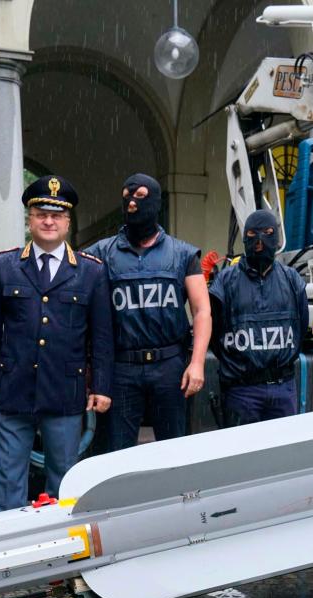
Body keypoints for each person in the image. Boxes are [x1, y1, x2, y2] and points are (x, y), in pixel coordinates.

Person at [0, 175, 113, 510]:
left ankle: (60, 547)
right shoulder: (4, 266)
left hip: (64, 389)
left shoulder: (91, 272)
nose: (48, 221)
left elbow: (102, 336)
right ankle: (6, 544)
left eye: (57, 215)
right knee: (8, 476)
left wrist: (102, 387)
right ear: (30, 219)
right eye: (41, 214)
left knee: (63, 477)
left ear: (68, 222)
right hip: (13, 388)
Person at [85, 174, 210, 450]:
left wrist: (197, 362)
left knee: (173, 451)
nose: (132, 203)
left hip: (170, 367)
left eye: (140, 196)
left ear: (155, 201)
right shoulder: (100, 253)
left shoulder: (183, 254)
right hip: (121, 368)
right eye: (127, 196)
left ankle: (174, 495)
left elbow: (202, 310)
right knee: (116, 453)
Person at [208, 209, 307, 426]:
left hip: (283, 388)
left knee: (283, 456)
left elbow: (301, 327)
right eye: (253, 234)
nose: (260, 240)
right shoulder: (225, 281)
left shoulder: (292, 280)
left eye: (268, 232)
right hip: (241, 391)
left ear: (276, 237)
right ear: (244, 237)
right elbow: (213, 332)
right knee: (241, 456)